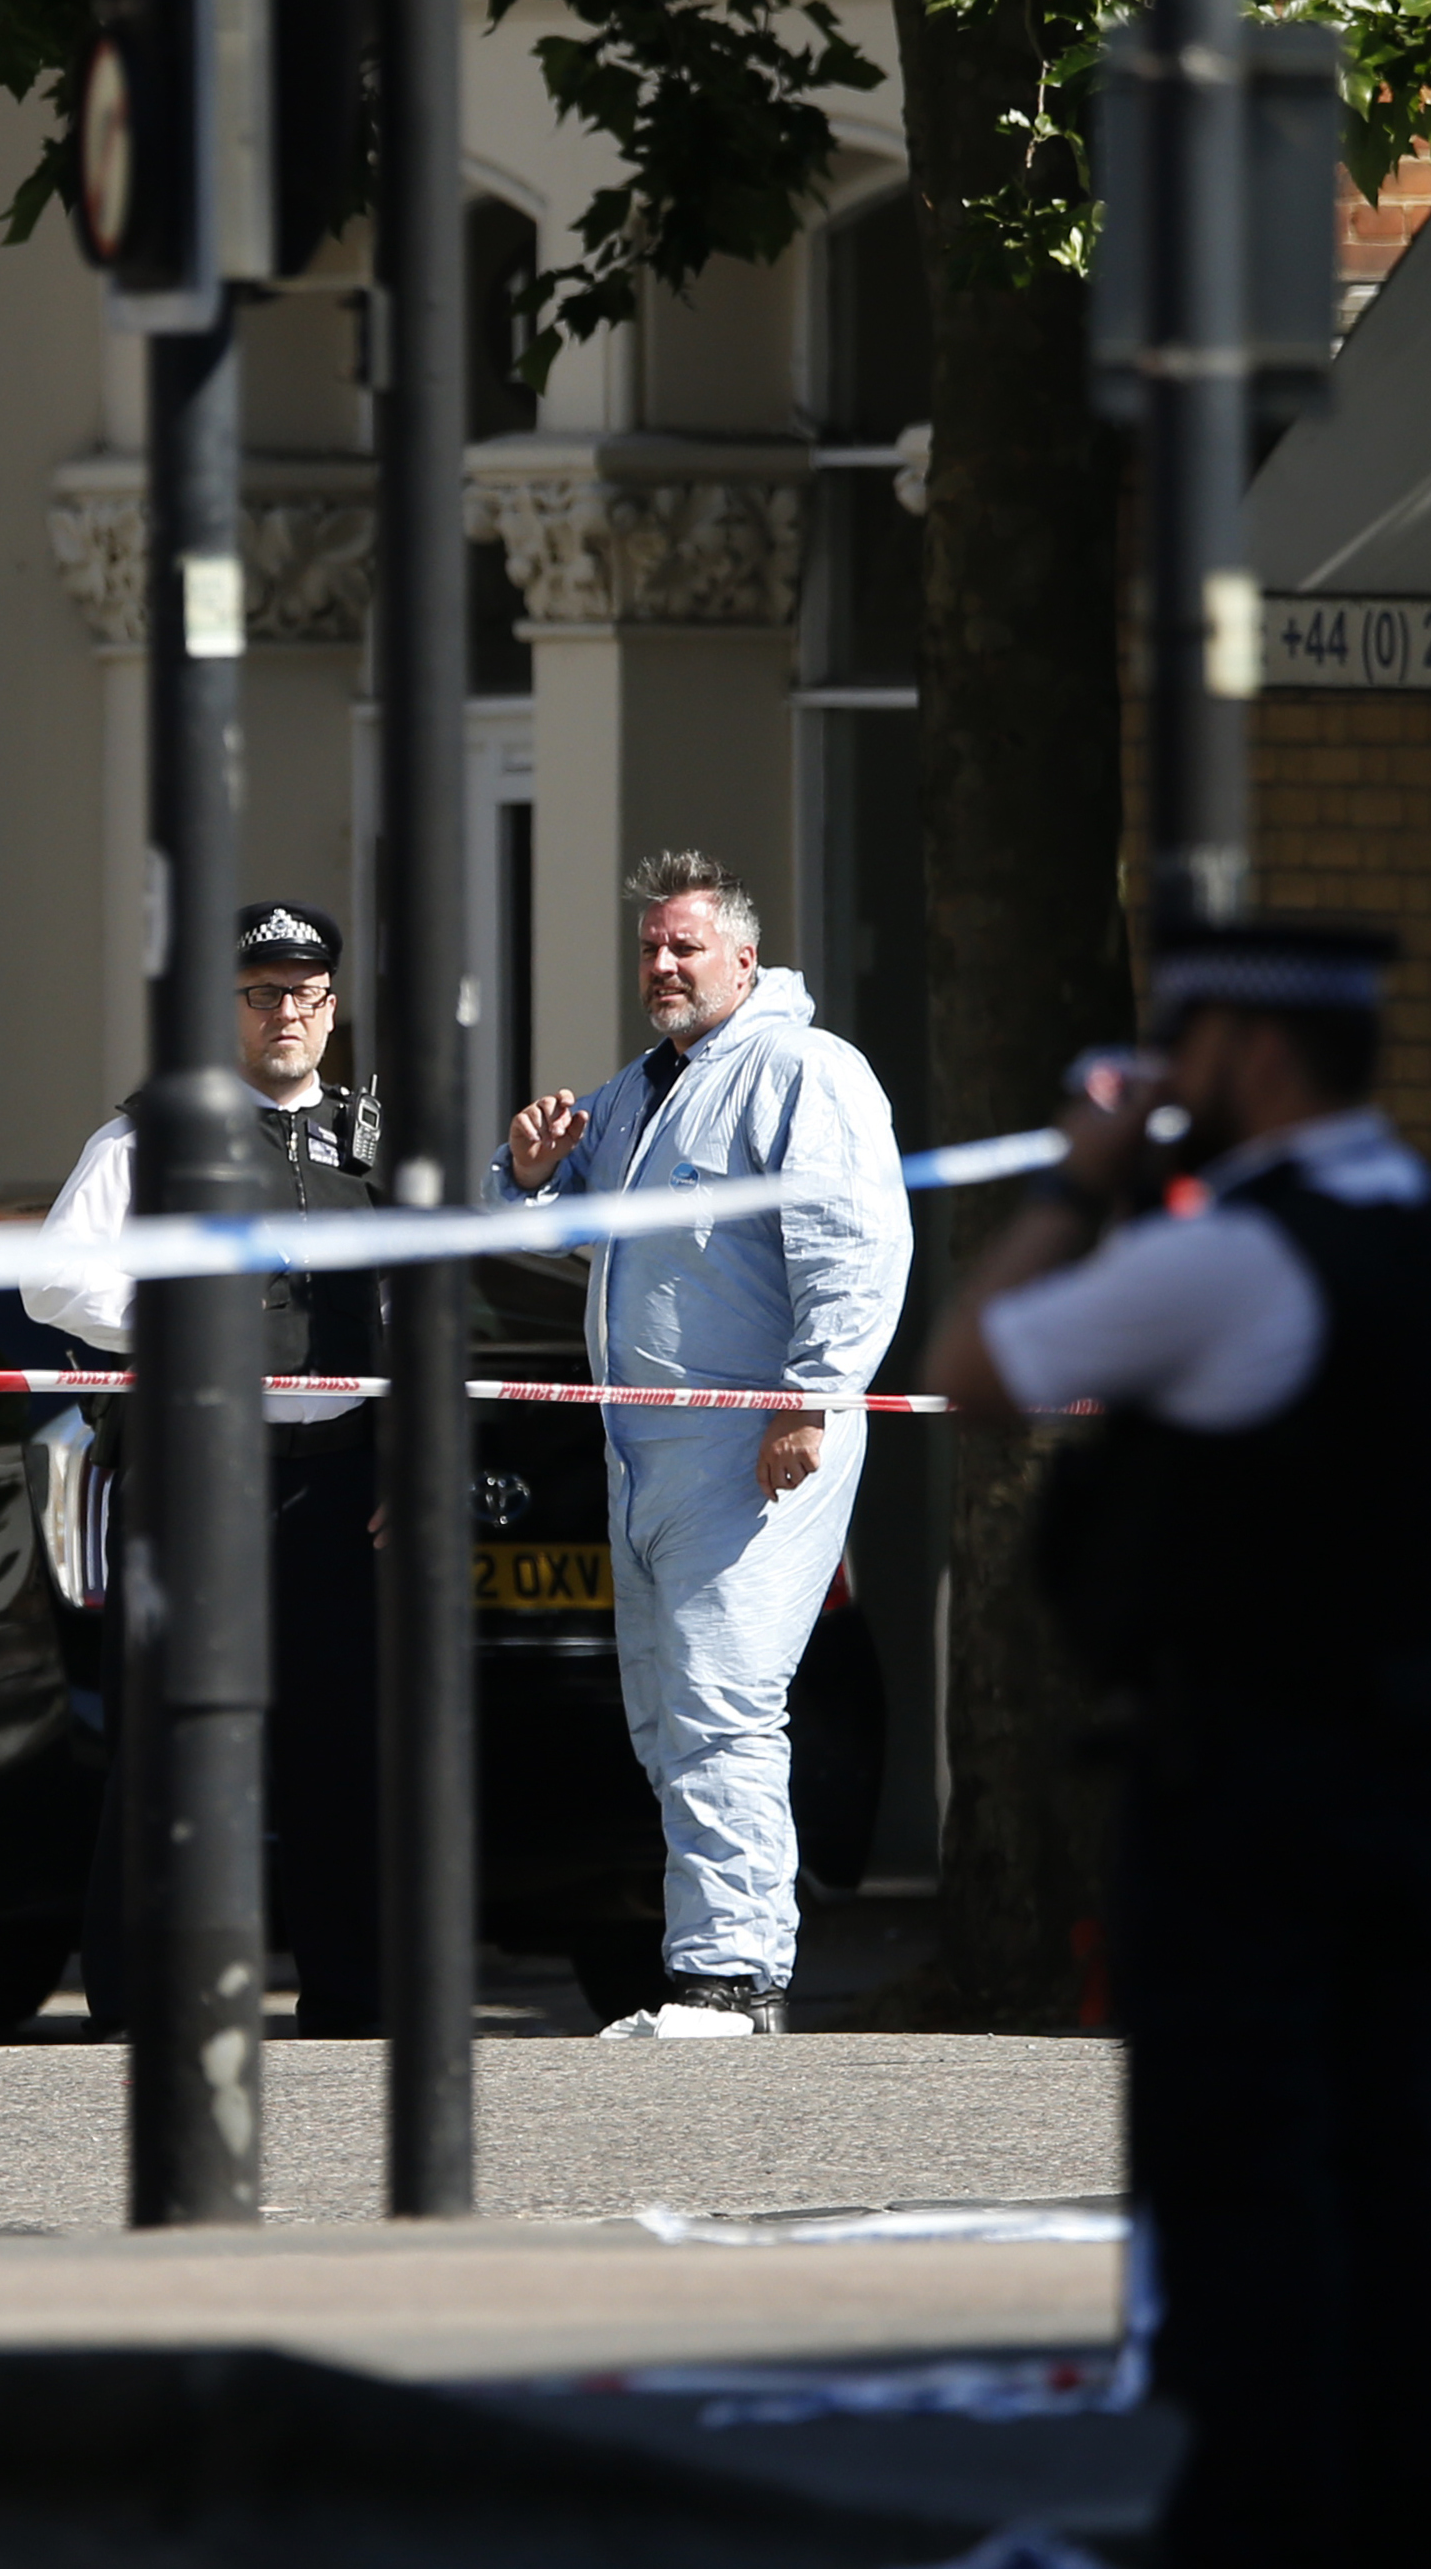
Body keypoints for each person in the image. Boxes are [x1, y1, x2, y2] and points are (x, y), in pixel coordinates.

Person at [923, 916, 1431, 2564]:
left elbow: (969, 1368)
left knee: (1236, 2162)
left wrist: (1076, 1180)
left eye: (1183, 1049)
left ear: (1245, 1053)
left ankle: (1259, 2516)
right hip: (1402, 1770)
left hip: (1231, 1780)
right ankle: (1396, 2515)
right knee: (1389, 2162)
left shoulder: (1226, 1256)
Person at [494, 850, 908, 2038]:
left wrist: (809, 1401)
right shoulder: (643, 1088)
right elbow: (554, 1221)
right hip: (645, 1458)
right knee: (667, 1718)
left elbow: (854, 1249)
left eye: (685, 946)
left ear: (746, 957)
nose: (663, 966)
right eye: (650, 948)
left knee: (724, 1704)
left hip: (749, 1448)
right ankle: (716, 1967)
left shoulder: (805, 1071)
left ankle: (735, 1976)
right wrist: (528, 1171)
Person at [23, 900, 391, 2032]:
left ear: (332, 1008)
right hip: (200, 1484)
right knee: (175, 1748)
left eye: (307, 994)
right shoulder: (155, 1136)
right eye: (262, 994)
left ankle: (354, 2006)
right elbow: (55, 1281)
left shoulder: (370, 1140)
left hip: (337, 1486)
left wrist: (403, 1459)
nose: (288, 1014)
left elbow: (410, 1306)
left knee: (342, 1754)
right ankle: (144, 2007)